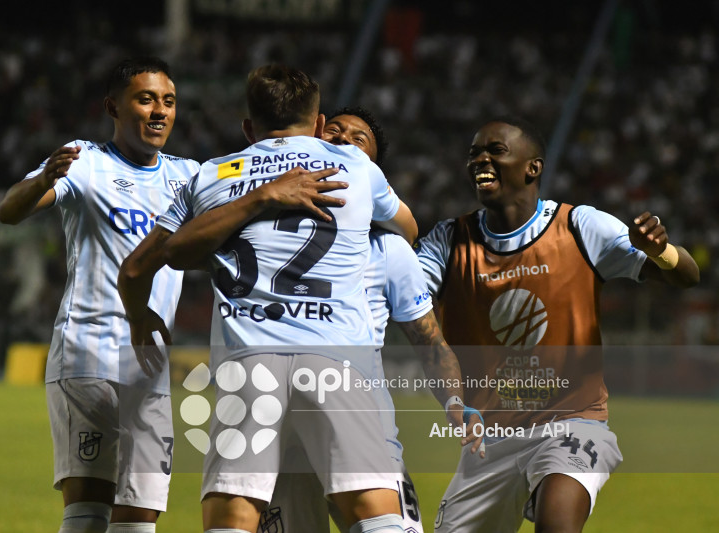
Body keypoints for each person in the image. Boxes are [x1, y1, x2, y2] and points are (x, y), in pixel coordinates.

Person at [159, 65, 417, 533]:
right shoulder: (358, 167)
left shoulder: (213, 174)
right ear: (319, 125)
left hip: (249, 359)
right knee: (374, 510)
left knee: (233, 516)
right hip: (336, 357)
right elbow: (408, 227)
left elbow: (171, 252)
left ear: (247, 126)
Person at [416, 116, 700, 532]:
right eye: (474, 153)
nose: (480, 160)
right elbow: (406, 301)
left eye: (495, 151)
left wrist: (661, 251)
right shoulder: (448, 241)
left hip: (573, 424)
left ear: (533, 167)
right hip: (489, 440)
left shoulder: (580, 227)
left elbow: (687, 275)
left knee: (558, 522)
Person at [0, 56, 200, 533]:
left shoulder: (189, 176)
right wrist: (43, 180)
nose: (159, 111)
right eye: (146, 99)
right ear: (113, 106)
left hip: (149, 365)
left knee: (141, 514)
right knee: (90, 508)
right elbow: (10, 210)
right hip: (88, 356)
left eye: (168, 101)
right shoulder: (85, 160)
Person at [259, 107, 482, 533]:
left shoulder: (389, 250)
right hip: (283, 440)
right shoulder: (264, 233)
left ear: (372, 175)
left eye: (358, 140)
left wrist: (454, 402)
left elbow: (429, 341)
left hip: (361, 427)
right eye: (334, 131)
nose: (343, 139)